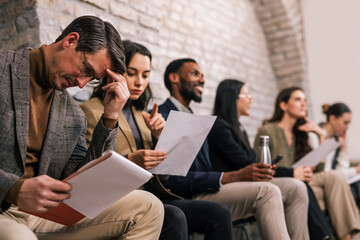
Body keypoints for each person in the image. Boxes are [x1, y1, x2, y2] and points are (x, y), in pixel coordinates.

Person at [0, 16, 164, 240]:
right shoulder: (2, 68)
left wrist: (110, 116)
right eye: (86, 68)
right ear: (70, 41)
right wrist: (13, 189)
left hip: (43, 213)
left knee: (149, 207)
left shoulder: (72, 114)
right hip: (4, 208)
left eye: (92, 79)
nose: (82, 83)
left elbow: (79, 180)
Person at [80, 40, 233, 240]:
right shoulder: (90, 110)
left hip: (154, 194)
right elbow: (90, 168)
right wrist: (131, 159)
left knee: (219, 213)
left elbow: (164, 177)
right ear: (115, 71)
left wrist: (160, 138)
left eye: (145, 75)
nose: (139, 82)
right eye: (132, 73)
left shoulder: (143, 115)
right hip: (118, 199)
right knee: (174, 215)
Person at [156, 58, 310, 240]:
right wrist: (229, 177)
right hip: (189, 195)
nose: (203, 80)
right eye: (194, 73)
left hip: (208, 186)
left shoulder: (195, 118)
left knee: (296, 187)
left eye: (203, 76)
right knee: (267, 191)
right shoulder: (161, 118)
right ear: (174, 78)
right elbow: (170, 180)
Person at [207, 79, 332, 240]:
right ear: (232, 98)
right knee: (290, 186)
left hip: (245, 182)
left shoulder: (238, 128)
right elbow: (247, 164)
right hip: (227, 184)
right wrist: (292, 172)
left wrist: (320, 136)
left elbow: (252, 161)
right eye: (246, 94)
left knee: (298, 187)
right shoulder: (219, 127)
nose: (250, 99)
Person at [254, 87, 360, 240]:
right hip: (280, 181)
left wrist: (320, 136)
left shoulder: (301, 134)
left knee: (335, 177)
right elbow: (257, 167)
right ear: (283, 105)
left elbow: (320, 171)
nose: (303, 104)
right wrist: (293, 173)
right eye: (298, 100)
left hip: (302, 181)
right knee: (324, 187)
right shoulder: (268, 130)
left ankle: (351, 237)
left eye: (304, 100)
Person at [309, 103, 360, 207]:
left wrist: (343, 149)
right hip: (317, 175)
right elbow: (324, 172)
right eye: (345, 123)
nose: (347, 127)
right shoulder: (314, 135)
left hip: (332, 177)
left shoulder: (335, 139)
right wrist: (355, 170)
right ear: (332, 119)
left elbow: (340, 170)